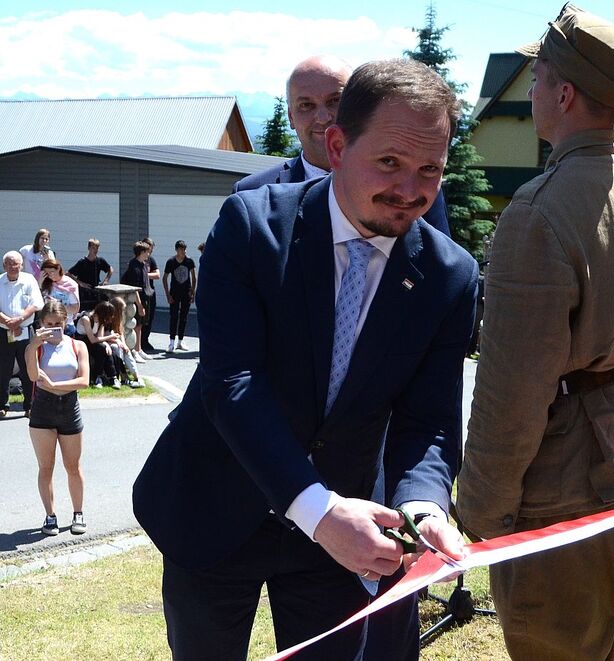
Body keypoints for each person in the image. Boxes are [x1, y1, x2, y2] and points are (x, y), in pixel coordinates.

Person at [133, 58, 478, 660]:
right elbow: (230, 382)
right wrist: (316, 511)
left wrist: (423, 505)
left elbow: (429, 420)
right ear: (338, 145)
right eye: (390, 162)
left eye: (431, 169)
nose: (409, 189)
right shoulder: (254, 224)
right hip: (217, 504)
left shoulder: (450, 275)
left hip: (341, 530)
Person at [457, 6, 614, 660]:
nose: (528, 93)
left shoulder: (536, 210)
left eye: (537, 79)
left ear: (563, 95)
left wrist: (483, 508)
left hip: (558, 483)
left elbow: (512, 389)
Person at [233, 55, 452, 238]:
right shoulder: (252, 195)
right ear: (291, 117)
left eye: (335, 101)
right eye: (306, 105)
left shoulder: (415, 189)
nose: (323, 117)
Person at [25, 300, 90, 536]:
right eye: (48, 323)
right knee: (46, 467)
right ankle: (50, 516)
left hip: (69, 408)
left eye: (58, 324)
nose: (53, 328)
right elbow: (33, 375)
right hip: (42, 409)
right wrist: (33, 346)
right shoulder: (36, 347)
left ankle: (78, 513)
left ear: (66, 322)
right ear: (41, 323)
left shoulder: (77, 346)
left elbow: (84, 381)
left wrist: (54, 384)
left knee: (73, 466)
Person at [1, 251, 44, 418]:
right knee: (2, 370)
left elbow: (37, 304)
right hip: (3, 331)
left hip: (25, 330)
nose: (13, 267)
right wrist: (8, 323)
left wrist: (19, 320)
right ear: (4, 265)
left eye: (16, 263)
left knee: (28, 369)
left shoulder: (29, 280)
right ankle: (2, 405)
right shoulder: (0, 281)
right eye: (9, 263)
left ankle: (30, 405)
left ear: (22, 265)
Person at [120, 241, 152, 363]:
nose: (148, 254)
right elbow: (134, 289)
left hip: (145, 298)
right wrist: (139, 306)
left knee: (141, 325)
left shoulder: (143, 265)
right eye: (147, 251)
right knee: (136, 326)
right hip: (135, 301)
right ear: (141, 252)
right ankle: (134, 351)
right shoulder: (134, 267)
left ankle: (139, 349)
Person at [162, 240, 197, 352]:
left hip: (186, 293)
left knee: (184, 318)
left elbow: (194, 277)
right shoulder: (171, 262)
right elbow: (164, 278)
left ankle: (180, 342)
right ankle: (171, 342)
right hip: (175, 293)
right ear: (177, 250)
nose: (184, 251)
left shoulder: (189, 261)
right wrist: (168, 295)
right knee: (173, 317)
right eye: (181, 249)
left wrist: (192, 292)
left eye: (185, 249)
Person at [68, 238, 114, 311]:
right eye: (93, 248)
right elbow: (68, 274)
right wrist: (81, 283)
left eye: (97, 248)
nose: (95, 250)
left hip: (95, 291)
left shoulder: (100, 260)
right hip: (84, 292)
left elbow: (110, 269)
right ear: (89, 248)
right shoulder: (82, 262)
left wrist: (106, 280)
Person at [40, 258, 81, 336]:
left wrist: (56, 305)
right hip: (48, 325)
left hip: (65, 325)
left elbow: (75, 308)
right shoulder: (46, 283)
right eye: (47, 273)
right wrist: (40, 284)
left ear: (58, 268)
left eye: (52, 272)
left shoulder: (70, 284)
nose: (50, 275)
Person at [140, 237, 160, 354]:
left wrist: (145, 274)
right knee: (141, 318)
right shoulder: (138, 260)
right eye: (148, 246)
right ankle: (140, 341)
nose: (150, 249)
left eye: (151, 247)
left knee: (150, 317)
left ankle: (145, 340)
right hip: (141, 293)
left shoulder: (151, 260)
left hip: (150, 291)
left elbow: (157, 274)